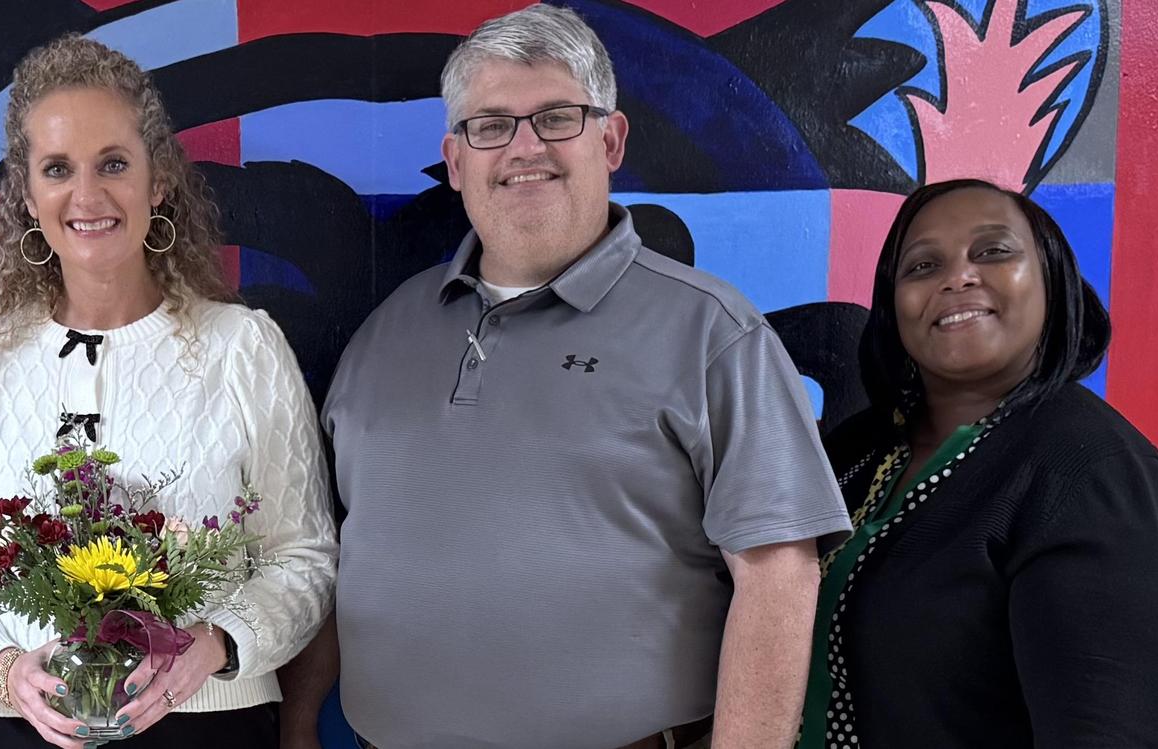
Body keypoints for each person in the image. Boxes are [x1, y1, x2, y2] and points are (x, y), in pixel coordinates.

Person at [308, 5, 852, 748]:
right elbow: (336, 554)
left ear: (611, 139)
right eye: (491, 125)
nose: (525, 146)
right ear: (457, 160)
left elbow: (779, 574)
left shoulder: (712, 332)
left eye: (557, 118)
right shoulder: (387, 330)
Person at [0, 34, 338, 749]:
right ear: (27, 193)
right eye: (57, 169)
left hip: (209, 726)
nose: (87, 195)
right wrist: (3, 672)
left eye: (114, 164)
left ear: (157, 181)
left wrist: (216, 643)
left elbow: (304, 554)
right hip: (14, 731)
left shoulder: (243, 348)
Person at [800, 179, 1158, 748]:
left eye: (993, 251)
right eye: (922, 266)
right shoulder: (859, 448)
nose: (957, 278)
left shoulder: (1100, 480)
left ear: (1052, 280)